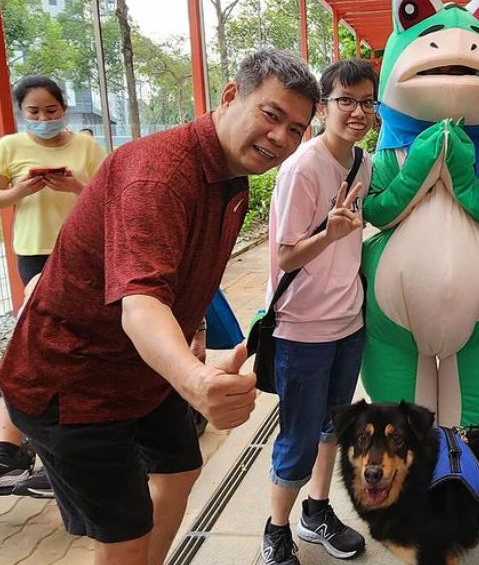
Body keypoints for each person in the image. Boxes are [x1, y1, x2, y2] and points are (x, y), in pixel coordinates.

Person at [0, 49, 319, 565]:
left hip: (141, 372)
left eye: (297, 128)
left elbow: (185, 276)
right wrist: (196, 383)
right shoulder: (160, 174)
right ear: (231, 96)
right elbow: (141, 301)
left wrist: (192, 339)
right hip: (73, 378)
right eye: (272, 115)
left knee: (179, 468)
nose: (281, 138)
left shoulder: (231, 174)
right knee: (124, 536)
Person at [261, 59, 376, 565]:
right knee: (299, 435)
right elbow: (286, 255)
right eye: (345, 101)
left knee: (334, 426)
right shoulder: (302, 168)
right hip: (302, 328)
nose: (357, 111)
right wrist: (326, 234)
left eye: (366, 102)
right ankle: (276, 529)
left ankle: (317, 510)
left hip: (348, 321)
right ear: (323, 107)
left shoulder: (362, 163)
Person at [0, 75, 105, 498]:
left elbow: (107, 196)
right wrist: (19, 190)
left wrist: (75, 187)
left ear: (64, 108)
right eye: (34, 112)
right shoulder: (10, 148)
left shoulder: (85, 147)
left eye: (51, 110)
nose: (43, 119)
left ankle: (58, 448)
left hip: (82, 254)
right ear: (22, 113)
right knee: (42, 346)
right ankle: (32, 448)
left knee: (77, 347)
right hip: (36, 253)